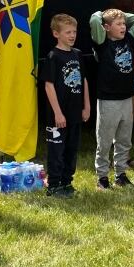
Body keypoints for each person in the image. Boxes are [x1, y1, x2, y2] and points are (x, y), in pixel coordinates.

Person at [90, 8, 134, 189]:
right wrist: (104, 13)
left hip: (126, 97)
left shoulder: (129, 39)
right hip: (108, 99)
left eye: (124, 24)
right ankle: (102, 177)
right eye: (119, 24)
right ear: (106, 27)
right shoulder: (102, 42)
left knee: (124, 139)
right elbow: (93, 20)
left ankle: (121, 174)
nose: (123, 27)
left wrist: (121, 15)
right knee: (104, 140)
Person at [42, 14, 90, 197]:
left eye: (74, 32)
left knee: (71, 148)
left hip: (75, 111)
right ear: (56, 34)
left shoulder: (77, 54)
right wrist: (58, 113)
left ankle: (66, 182)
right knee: (57, 149)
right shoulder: (53, 57)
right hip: (58, 115)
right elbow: (49, 85)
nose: (72, 35)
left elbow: (83, 80)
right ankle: (53, 185)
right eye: (67, 32)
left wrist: (87, 106)